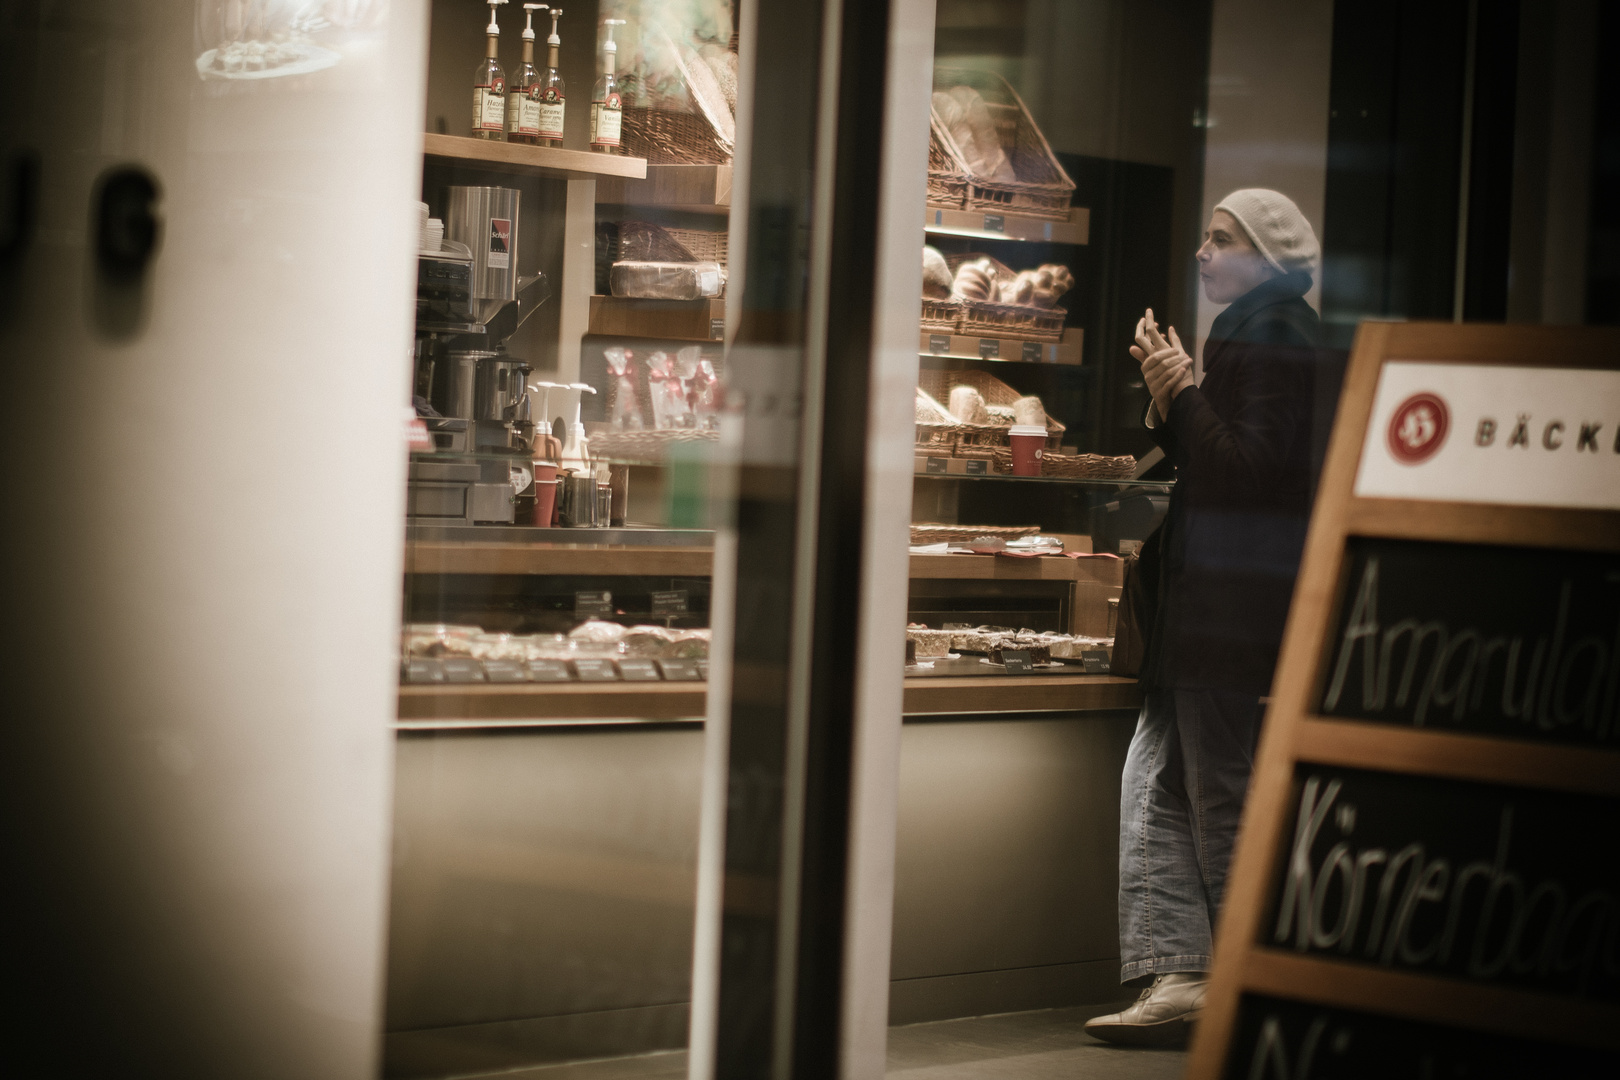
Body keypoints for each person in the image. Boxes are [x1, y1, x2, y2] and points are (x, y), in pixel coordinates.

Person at [1084, 189, 1324, 1047]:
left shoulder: (1267, 334)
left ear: (1264, 256)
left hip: (1227, 615)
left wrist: (1179, 391)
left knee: (1217, 799)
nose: (1202, 252)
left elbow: (1245, 475)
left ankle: (1241, 988)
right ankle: (1188, 974)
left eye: (1221, 240)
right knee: (1163, 782)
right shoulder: (1278, 330)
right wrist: (1173, 394)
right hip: (1226, 615)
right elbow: (1232, 463)